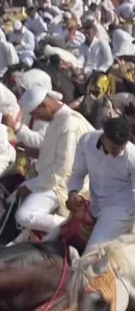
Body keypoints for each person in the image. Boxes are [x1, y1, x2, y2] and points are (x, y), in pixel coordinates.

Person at [66, 116, 135, 250]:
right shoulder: (86, 141)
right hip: (94, 208)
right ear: (104, 137)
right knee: (57, 237)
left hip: (121, 210)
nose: (118, 152)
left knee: (92, 251)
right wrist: (73, 192)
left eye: (121, 148)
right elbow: (78, 173)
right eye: (114, 147)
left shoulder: (134, 157)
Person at [13, 86, 94, 236]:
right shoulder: (59, 118)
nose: (37, 118)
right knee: (12, 197)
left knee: (24, 215)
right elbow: (54, 152)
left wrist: (30, 186)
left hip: (64, 185)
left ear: (45, 106)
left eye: (36, 114)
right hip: (49, 178)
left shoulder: (70, 123)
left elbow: (62, 171)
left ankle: (73, 225)